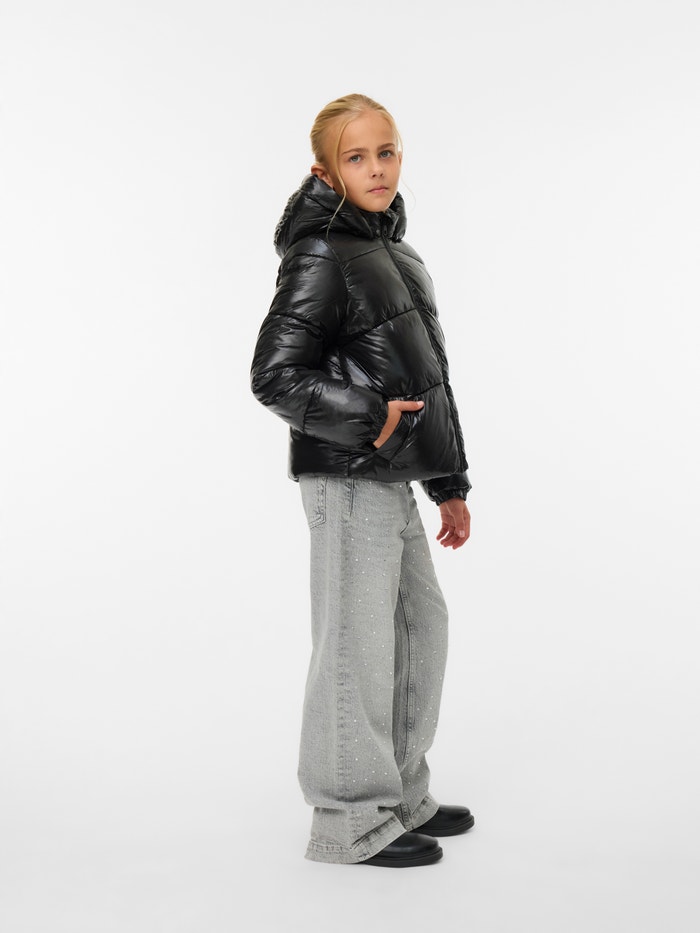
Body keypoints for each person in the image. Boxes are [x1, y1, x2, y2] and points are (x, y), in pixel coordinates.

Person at [250, 93, 474, 868]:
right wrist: (371, 418)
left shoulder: (396, 255)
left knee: (420, 626)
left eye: (386, 151)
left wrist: (449, 481)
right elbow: (274, 374)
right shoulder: (321, 252)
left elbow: (429, 377)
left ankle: (400, 792)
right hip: (349, 476)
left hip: (396, 476)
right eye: (356, 157)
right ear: (325, 171)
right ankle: (349, 817)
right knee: (357, 642)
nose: (376, 168)